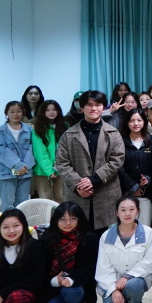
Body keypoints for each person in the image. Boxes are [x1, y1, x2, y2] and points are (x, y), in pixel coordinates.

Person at [56, 91, 125, 232]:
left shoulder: (113, 133)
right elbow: (62, 163)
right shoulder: (69, 135)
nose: (93, 108)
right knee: (78, 234)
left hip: (105, 192)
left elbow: (117, 159)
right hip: (78, 193)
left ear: (103, 107)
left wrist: (94, 180)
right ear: (82, 108)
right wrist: (78, 185)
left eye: (98, 105)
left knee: (103, 236)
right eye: (89, 105)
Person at [95, 196, 152, 303]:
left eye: (132, 209)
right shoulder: (106, 236)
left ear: (138, 211)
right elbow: (103, 268)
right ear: (117, 213)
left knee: (134, 286)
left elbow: (148, 262)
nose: (127, 214)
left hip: (135, 281)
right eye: (123, 210)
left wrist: (127, 277)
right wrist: (114, 290)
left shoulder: (148, 232)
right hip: (111, 284)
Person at [0, 209, 44, 303]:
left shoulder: (35, 246)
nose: (11, 231)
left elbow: (36, 278)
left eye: (16, 225)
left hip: (23, 294)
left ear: (23, 225)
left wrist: (4, 293)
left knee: (18, 298)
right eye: (5, 227)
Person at [40, 202, 99, 303]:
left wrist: (71, 279)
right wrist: (54, 281)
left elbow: (92, 267)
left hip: (78, 286)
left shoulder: (89, 239)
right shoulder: (46, 240)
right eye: (63, 219)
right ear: (56, 220)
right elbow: (40, 269)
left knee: (71, 292)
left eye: (73, 218)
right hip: (52, 288)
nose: (68, 223)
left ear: (79, 219)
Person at [118, 108, 152, 227]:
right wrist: (133, 187)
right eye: (132, 120)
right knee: (126, 227)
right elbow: (119, 167)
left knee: (144, 228)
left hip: (147, 193)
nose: (136, 124)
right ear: (127, 122)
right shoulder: (120, 141)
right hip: (125, 192)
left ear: (144, 121)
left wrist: (148, 179)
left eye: (139, 120)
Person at [0, 101, 35, 210]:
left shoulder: (28, 129)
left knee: (22, 203)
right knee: (7, 204)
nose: (15, 114)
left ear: (23, 112)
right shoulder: (1, 130)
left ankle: (21, 221)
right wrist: (17, 165)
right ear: (6, 113)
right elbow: (0, 150)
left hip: (25, 171)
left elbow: (32, 148)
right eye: (12, 112)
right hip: (6, 172)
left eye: (18, 111)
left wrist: (25, 166)